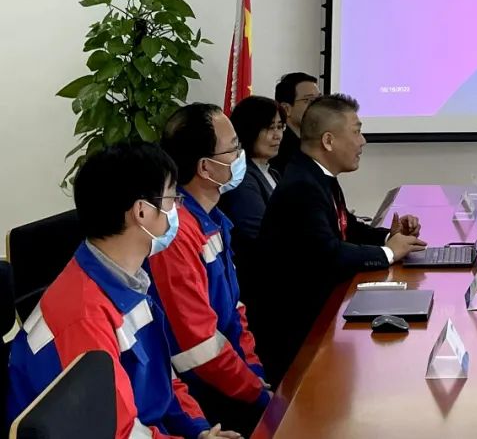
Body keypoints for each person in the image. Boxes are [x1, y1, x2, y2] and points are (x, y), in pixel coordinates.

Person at [7, 143, 240, 439]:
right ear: (141, 211)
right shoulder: (84, 317)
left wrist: (199, 431)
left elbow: (162, 382)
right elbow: (117, 432)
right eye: (172, 199)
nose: (178, 209)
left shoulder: (128, 278)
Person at [253, 94, 426, 385]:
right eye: (356, 132)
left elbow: (347, 227)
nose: (363, 142)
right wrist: (388, 253)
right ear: (328, 141)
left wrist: (391, 236)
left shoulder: (317, 175)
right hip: (297, 333)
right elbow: (328, 254)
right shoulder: (302, 187)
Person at [156, 104, 271, 434]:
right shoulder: (175, 235)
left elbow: (233, 310)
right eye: (233, 147)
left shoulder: (213, 220)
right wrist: (255, 392)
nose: (240, 155)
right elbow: (198, 347)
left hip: (230, 380)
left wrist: (254, 374)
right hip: (201, 394)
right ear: (205, 167)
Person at [219, 95, 285, 295]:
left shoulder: (272, 172)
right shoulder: (242, 177)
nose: (277, 135)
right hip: (259, 283)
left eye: (280, 127)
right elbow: (260, 232)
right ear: (249, 129)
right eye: (270, 128)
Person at [268, 72, 320, 176]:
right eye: (309, 100)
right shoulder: (277, 148)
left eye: (319, 99)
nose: (319, 106)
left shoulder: (313, 144)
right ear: (286, 109)